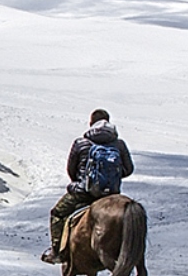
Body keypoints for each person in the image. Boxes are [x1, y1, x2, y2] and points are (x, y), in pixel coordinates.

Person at [41, 108, 135, 264]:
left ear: (91, 123)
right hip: (110, 195)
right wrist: (111, 178)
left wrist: (83, 183)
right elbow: (129, 169)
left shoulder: (81, 143)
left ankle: (57, 252)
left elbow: (71, 169)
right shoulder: (119, 144)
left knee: (58, 213)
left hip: (83, 192)